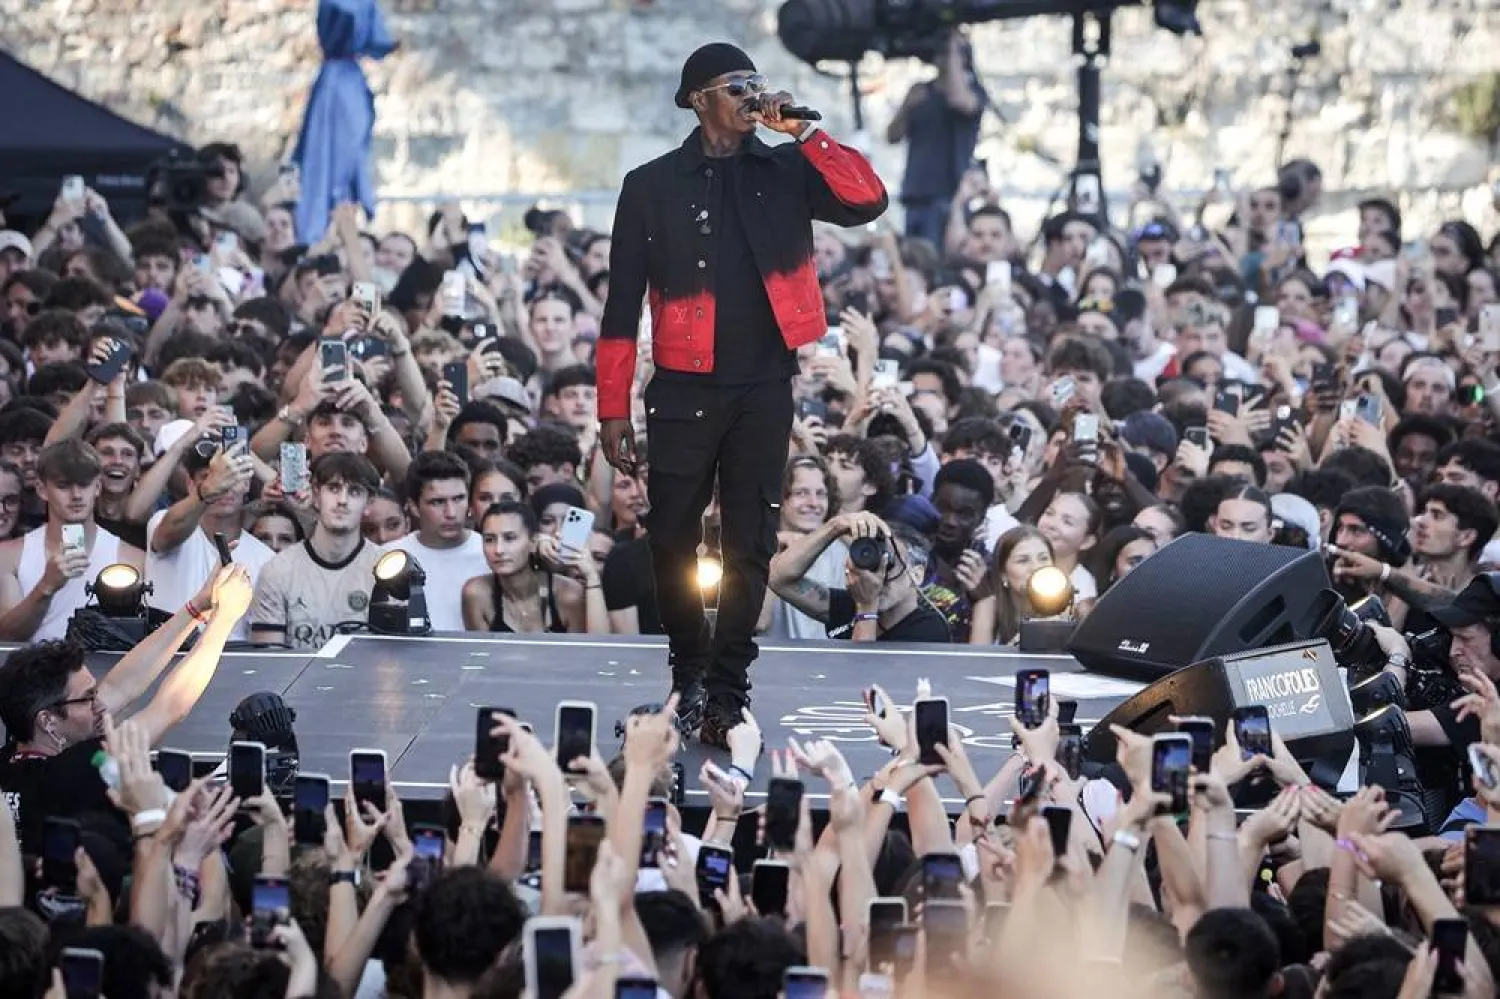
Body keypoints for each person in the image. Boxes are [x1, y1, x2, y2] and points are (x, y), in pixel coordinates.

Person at [595, 41, 887, 745]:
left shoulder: (787, 166)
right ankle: (687, 666)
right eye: (737, 87)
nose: (754, 96)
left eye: (758, 84)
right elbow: (619, 304)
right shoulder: (650, 184)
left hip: (763, 382)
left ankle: (728, 686)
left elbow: (867, 199)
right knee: (669, 534)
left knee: (750, 539)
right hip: (682, 386)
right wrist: (612, 407)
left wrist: (808, 133)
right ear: (699, 98)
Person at [0, 564, 250, 851]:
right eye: (89, 698)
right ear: (47, 721)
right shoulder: (79, 768)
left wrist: (196, 608)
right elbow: (170, 707)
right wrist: (224, 621)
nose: (100, 706)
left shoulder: (11, 757)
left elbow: (122, 686)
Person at [0, 439, 146, 642]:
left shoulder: (133, 559)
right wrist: (46, 586)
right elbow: (6, 637)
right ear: (42, 489)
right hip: (35, 671)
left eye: (84, 485)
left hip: (101, 672)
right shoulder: (9, 555)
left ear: (97, 487)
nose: (76, 495)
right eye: (63, 486)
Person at [248, 452, 385, 649]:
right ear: (316, 495)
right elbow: (269, 664)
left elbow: (393, 659)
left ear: (369, 503)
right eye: (333, 488)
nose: (342, 500)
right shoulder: (277, 571)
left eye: (354, 491)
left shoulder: (386, 570)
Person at [145, 438, 273, 642]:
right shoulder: (162, 521)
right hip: (164, 659)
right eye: (210, 477)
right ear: (190, 484)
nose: (223, 486)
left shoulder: (266, 558)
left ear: (247, 483)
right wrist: (207, 492)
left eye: (232, 476)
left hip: (235, 664)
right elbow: (170, 530)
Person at [768, 512, 949, 642]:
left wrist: (867, 606)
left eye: (889, 564)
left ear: (916, 574)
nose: (878, 576)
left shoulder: (930, 630)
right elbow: (778, 579)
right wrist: (834, 527)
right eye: (875, 563)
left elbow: (862, 676)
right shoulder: (852, 605)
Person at [887, 30, 986, 247]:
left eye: (949, 53)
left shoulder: (974, 92)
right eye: (941, 53)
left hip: (950, 197)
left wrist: (953, 42)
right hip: (915, 195)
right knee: (917, 260)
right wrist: (906, 107)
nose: (943, 58)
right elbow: (892, 135)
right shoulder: (921, 91)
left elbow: (959, 100)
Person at [460, 500, 607, 633]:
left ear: (533, 542)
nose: (498, 550)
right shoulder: (476, 593)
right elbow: (480, 655)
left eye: (510, 538)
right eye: (489, 539)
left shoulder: (567, 594)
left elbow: (593, 650)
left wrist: (592, 576)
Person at [383, 451, 489, 632]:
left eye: (458, 499)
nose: (451, 513)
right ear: (414, 507)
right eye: (437, 502)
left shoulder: (490, 553)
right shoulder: (389, 558)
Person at [968, 525, 1055, 645]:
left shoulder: (1067, 608)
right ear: (1004, 574)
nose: (1036, 567)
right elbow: (977, 662)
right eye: (1023, 560)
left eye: (1044, 558)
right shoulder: (988, 607)